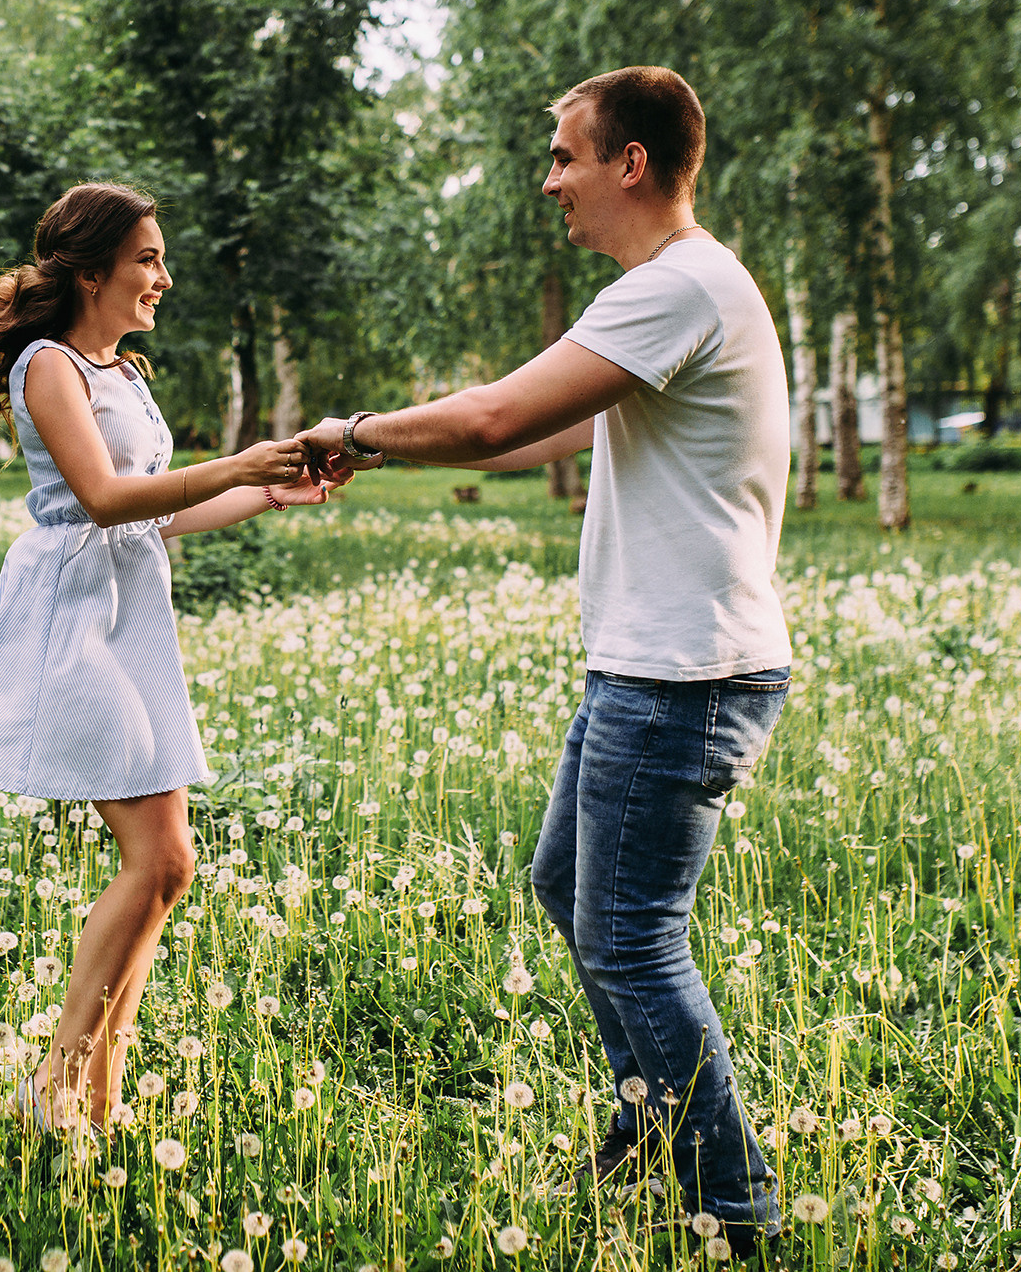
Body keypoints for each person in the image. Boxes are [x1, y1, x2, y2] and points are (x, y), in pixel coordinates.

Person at [297, 67, 791, 1253]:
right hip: (660, 665)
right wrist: (392, 456)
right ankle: (652, 1127)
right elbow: (544, 427)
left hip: (682, 675)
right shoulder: (669, 296)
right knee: (569, 889)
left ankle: (732, 1204)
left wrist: (354, 433)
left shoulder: (671, 287)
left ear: (629, 163)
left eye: (564, 156)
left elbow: (488, 420)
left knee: (627, 933)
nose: (548, 180)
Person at [0, 181, 351, 1137]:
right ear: (91, 272)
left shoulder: (124, 374)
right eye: (147, 258)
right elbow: (104, 497)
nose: (164, 274)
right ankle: (58, 1080)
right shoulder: (50, 367)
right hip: (71, 621)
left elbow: (161, 511)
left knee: (169, 867)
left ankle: (95, 1087)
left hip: (133, 617)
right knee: (160, 856)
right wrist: (246, 458)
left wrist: (277, 491)